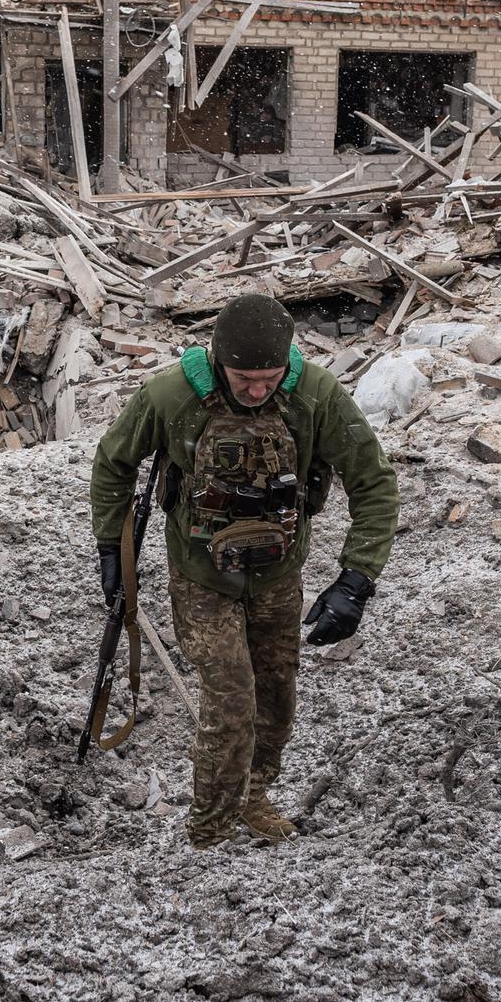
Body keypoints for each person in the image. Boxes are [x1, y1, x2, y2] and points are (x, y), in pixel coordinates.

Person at [90, 294, 399, 849]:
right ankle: (209, 828)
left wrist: (357, 578)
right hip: (201, 576)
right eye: (243, 378)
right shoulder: (170, 395)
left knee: (277, 694)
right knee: (231, 698)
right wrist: (112, 548)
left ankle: (254, 795)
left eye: (269, 377)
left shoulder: (315, 397)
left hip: (279, 577)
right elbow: (114, 461)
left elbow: (373, 482)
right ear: (216, 361)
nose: (257, 390)